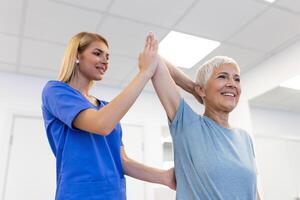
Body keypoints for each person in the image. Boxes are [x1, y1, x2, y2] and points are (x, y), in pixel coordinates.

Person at [41, 32, 175, 200]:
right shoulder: (55, 91)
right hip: (79, 195)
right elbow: (101, 124)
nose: (105, 61)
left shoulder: (106, 108)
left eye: (108, 57)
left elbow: (123, 161)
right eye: (97, 53)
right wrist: (144, 73)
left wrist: (165, 177)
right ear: (77, 55)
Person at [150, 34, 262, 199]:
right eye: (222, 76)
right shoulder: (187, 124)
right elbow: (154, 59)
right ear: (202, 89)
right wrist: (193, 88)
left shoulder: (244, 138)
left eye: (237, 79)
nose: (232, 83)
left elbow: (252, 191)